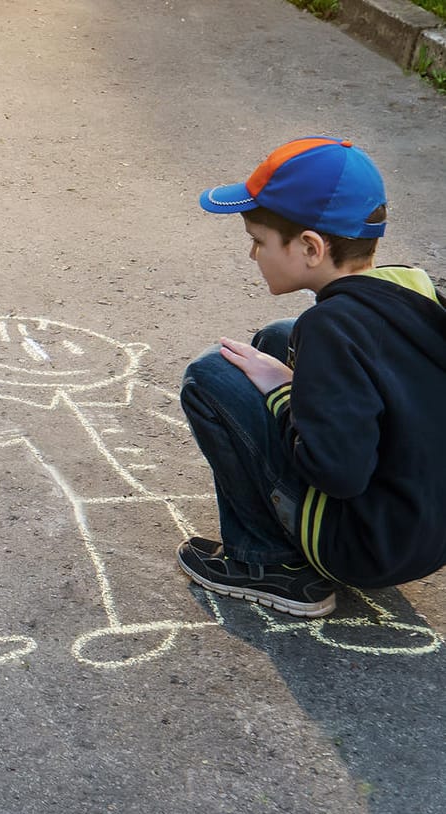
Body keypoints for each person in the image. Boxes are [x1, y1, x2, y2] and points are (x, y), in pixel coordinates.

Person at [178, 136, 446, 618]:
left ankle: (271, 564)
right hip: (420, 532)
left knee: (210, 376)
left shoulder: (330, 328)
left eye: (258, 241)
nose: (253, 255)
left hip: (360, 548)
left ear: (310, 247)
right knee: (278, 339)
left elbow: (336, 473)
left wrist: (284, 393)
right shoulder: (414, 288)